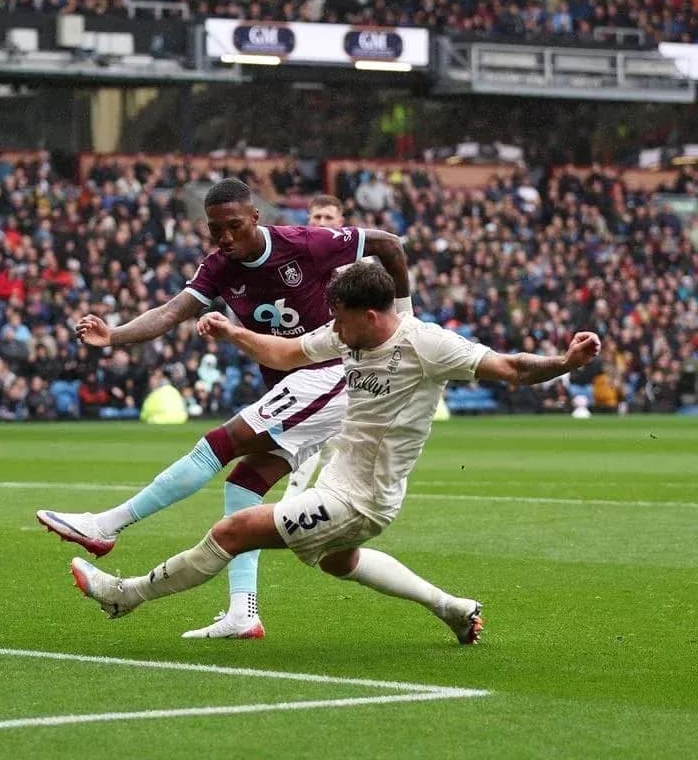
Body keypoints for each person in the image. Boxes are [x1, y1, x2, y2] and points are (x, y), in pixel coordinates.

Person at [71, 262, 601, 644]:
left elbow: (510, 369)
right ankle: (452, 607)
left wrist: (565, 361)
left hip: (363, 498)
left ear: (372, 315)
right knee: (338, 562)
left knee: (233, 531)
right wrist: (235, 333)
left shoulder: (429, 345)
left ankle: (127, 594)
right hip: (340, 485)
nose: (335, 330)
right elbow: (286, 351)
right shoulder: (349, 334)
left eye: (342, 319)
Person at [37, 183, 410, 639]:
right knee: (243, 484)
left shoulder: (304, 243)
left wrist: (401, 324)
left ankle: (106, 524)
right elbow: (173, 311)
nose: (226, 237)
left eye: (234, 226)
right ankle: (242, 612)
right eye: (216, 229)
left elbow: (389, 245)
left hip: (331, 374)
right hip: (298, 383)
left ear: (255, 216)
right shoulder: (218, 267)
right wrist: (114, 336)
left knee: (220, 442)